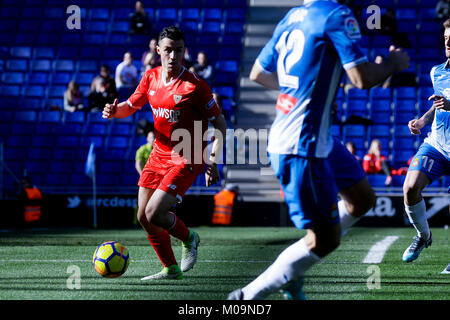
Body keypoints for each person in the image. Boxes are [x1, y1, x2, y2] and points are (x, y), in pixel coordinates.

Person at [227, 0, 409, 300]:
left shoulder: (292, 16)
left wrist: (300, 94)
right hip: (302, 144)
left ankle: (293, 267)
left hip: (316, 135)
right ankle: (246, 297)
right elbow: (361, 78)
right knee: (325, 240)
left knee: (362, 199)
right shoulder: (336, 14)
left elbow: (258, 73)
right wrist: (392, 64)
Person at [102, 26, 227, 280]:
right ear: (158, 51)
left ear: (184, 52)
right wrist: (115, 112)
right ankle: (170, 269)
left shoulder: (196, 87)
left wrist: (213, 160)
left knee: (154, 213)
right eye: (168, 50)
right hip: (158, 154)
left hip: (188, 155)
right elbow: (130, 105)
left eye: (178, 51)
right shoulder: (150, 77)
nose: (173, 56)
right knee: (143, 217)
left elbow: (220, 124)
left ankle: (190, 238)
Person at [402, 20, 450, 263]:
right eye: (445, 38)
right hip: (438, 145)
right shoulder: (437, 71)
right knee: (410, 188)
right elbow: (438, 103)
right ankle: (423, 235)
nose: (449, 43)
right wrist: (422, 120)